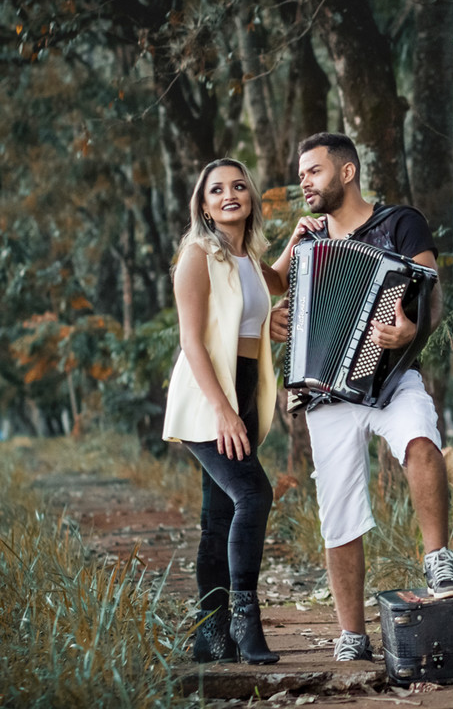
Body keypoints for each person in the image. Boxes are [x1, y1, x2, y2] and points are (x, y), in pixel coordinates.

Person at [268, 132, 453, 663]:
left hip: (392, 376)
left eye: (313, 171)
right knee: (339, 511)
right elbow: (268, 297)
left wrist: (411, 333)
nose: (304, 181)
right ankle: (352, 633)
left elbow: (433, 298)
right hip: (326, 392)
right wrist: (276, 320)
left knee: (421, 443)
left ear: (347, 172)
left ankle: (438, 558)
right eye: (302, 173)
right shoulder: (308, 245)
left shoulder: (401, 223)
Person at [163, 158, 287, 665]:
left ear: (251, 198)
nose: (230, 193)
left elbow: (275, 285)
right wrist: (223, 411)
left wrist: (299, 233)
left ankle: (209, 636)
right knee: (254, 495)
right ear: (206, 205)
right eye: (217, 189)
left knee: (217, 520)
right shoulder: (197, 255)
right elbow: (191, 340)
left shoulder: (250, 260)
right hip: (207, 395)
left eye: (239, 185)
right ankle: (243, 619)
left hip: (245, 390)